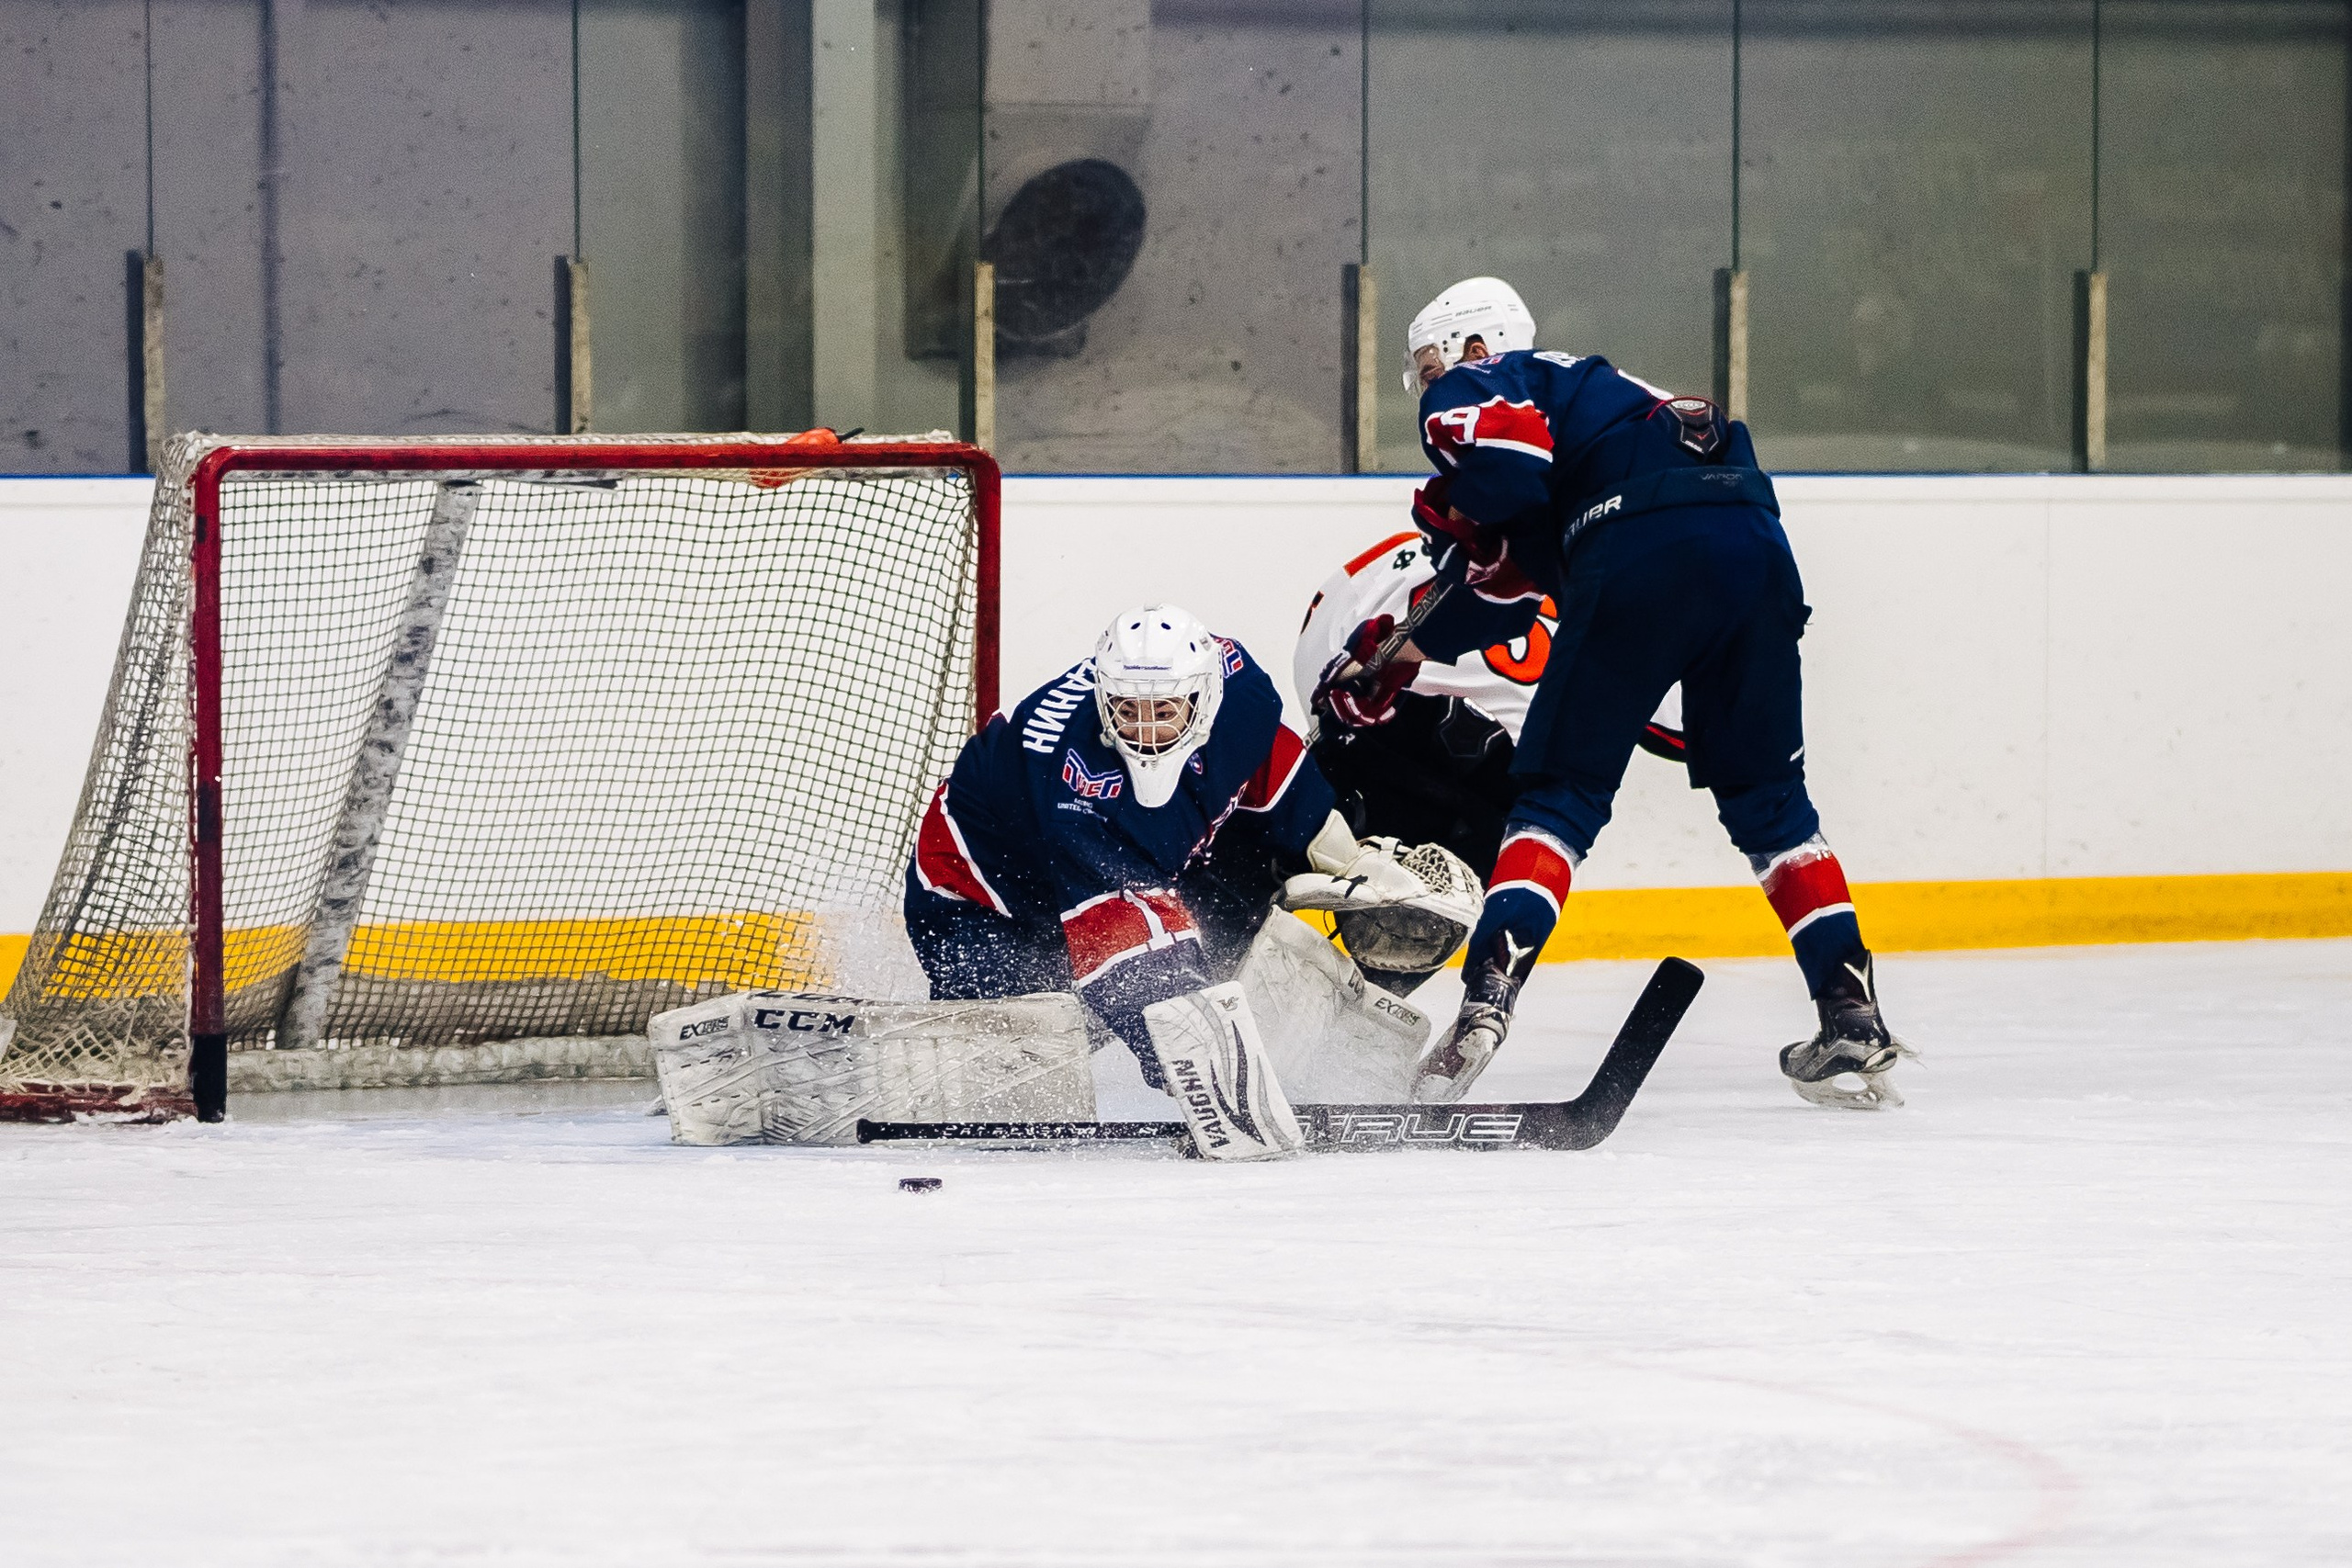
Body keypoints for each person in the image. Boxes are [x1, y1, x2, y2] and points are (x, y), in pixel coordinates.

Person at [1316, 276, 1911, 1111]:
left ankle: (1487, 1002)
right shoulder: (1607, 397)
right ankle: (1851, 1012)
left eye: (1431, 363)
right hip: (1755, 547)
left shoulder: (1488, 382)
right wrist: (1410, 649)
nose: (1429, 384)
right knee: (1773, 803)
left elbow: (1512, 485)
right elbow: (1511, 578)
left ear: (1475, 347)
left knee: (1557, 798)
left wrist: (1458, 518)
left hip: (1636, 545)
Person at [905, 604, 1465, 1156]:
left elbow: (1272, 773)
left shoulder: (1240, 694)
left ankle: (1310, 1054)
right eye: (1128, 710)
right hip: (976, 902)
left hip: (1095, 874)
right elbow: (1121, 947)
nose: (1146, 730)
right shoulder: (1073, 784)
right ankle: (949, 1038)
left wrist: (1342, 855)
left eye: (1163, 710)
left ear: (1202, 700)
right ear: (1104, 702)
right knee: (1018, 1089)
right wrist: (1190, 1057)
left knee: (1223, 936)